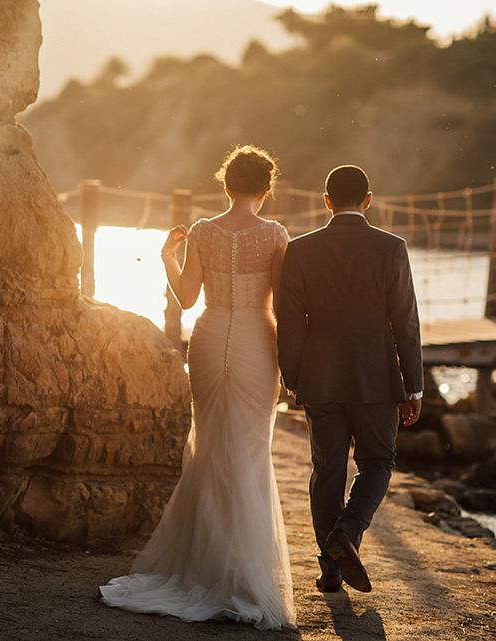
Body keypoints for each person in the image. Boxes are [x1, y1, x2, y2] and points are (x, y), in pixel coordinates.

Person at [99, 145, 296, 630]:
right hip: (257, 340)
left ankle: (202, 569)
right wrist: (293, 365)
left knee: (208, 448)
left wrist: (169, 256)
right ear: (266, 188)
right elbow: (285, 306)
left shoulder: (204, 231)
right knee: (249, 452)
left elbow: (186, 300)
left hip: (209, 340)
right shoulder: (275, 234)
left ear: (225, 186)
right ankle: (242, 578)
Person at [276, 164, 423, 594]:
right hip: (377, 376)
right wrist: (413, 385)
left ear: (326, 202)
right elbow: (405, 321)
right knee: (378, 463)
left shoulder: (300, 250)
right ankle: (348, 532)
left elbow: (289, 321)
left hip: (319, 377)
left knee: (327, 472)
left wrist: (293, 375)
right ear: (369, 200)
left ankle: (331, 568)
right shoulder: (392, 247)